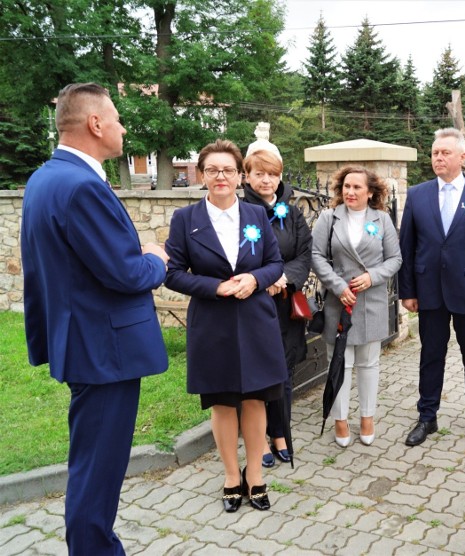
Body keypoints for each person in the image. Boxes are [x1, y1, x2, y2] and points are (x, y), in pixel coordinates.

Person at [20, 82, 170, 555]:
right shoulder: (82, 185)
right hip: (104, 351)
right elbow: (125, 273)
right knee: (97, 473)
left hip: (81, 342)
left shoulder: (46, 177)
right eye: (118, 117)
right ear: (95, 123)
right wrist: (157, 259)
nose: (124, 127)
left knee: (91, 465)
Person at [165, 139, 286, 512]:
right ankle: (232, 476)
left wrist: (255, 280)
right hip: (213, 322)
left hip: (255, 320)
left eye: (228, 170)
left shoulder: (255, 215)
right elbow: (172, 273)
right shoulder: (186, 220)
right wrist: (214, 286)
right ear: (202, 175)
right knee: (222, 402)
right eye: (213, 170)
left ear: (239, 176)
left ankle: (256, 477)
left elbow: (275, 263)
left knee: (254, 399)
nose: (221, 176)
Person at [399, 127, 465, 450]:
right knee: (431, 356)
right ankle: (427, 416)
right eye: (434, 153)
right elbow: (408, 245)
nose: (438, 158)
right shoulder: (417, 195)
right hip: (429, 291)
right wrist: (408, 291)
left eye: (444, 153)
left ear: (462, 156)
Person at [311, 166, 402, 447]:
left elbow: (394, 259)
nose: (350, 192)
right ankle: (340, 420)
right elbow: (316, 255)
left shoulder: (382, 219)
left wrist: (372, 276)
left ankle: (367, 417)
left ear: (370, 192)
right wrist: (338, 286)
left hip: (370, 300)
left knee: (369, 363)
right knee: (339, 363)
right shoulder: (329, 218)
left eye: (357, 187)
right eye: (346, 186)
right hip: (338, 302)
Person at [242, 143, 313, 467]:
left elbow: (304, 253)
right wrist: (263, 278)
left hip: (284, 304)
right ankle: (259, 440)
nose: (266, 180)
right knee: (258, 375)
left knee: (283, 373)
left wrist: (283, 278)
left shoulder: (292, 212)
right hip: (254, 305)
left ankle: (281, 433)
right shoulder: (240, 211)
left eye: (272, 174)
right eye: (260, 174)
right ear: (248, 175)